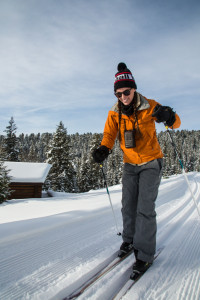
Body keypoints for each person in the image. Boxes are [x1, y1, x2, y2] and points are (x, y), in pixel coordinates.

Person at [92, 62, 181, 278]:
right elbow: (109, 135)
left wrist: (168, 115)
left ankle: (144, 254)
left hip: (151, 162)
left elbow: (175, 123)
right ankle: (129, 240)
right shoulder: (114, 113)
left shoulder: (150, 106)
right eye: (119, 93)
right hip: (129, 164)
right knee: (128, 205)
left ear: (134, 89)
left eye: (127, 91)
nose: (123, 96)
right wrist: (104, 148)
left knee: (144, 208)